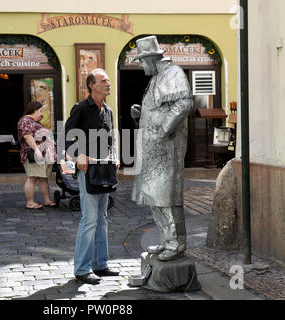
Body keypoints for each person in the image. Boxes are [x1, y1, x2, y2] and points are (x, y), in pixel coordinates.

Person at [131, 36, 193, 261]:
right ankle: (166, 240)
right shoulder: (157, 77)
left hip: (167, 149)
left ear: (151, 58)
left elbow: (184, 103)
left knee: (167, 197)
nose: (139, 65)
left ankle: (177, 244)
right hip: (153, 150)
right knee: (155, 198)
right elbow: (160, 108)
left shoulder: (173, 73)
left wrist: (163, 130)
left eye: (141, 61)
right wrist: (142, 114)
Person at [64, 68, 119, 285]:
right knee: (89, 220)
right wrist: (79, 156)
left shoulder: (109, 111)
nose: (108, 83)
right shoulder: (80, 108)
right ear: (91, 85)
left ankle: (101, 265)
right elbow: (67, 137)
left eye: (108, 80)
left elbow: (110, 139)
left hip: (105, 169)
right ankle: (82, 269)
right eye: (103, 80)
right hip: (87, 171)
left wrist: (114, 156)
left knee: (102, 219)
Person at [18, 101, 57, 209]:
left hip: (43, 155)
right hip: (34, 155)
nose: (42, 114)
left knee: (43, 178)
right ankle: (30, 202)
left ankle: (47, 200)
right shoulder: (25, 120)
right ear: (34, 110)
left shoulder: (34, 121)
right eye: (40, 111)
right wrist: (37, 150)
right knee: (32, 178)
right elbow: (27, 136)